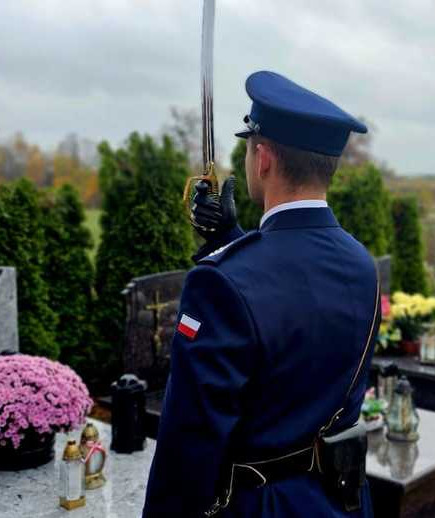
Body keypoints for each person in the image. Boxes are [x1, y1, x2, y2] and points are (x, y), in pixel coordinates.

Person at [142, 70, 380, 518]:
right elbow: (294, 292)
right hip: (337, 498)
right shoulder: (360, 264)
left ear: (264, 157)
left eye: (249, 147)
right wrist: (231, 238)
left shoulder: (219, 283)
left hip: (262, 505)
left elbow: (189, 442)